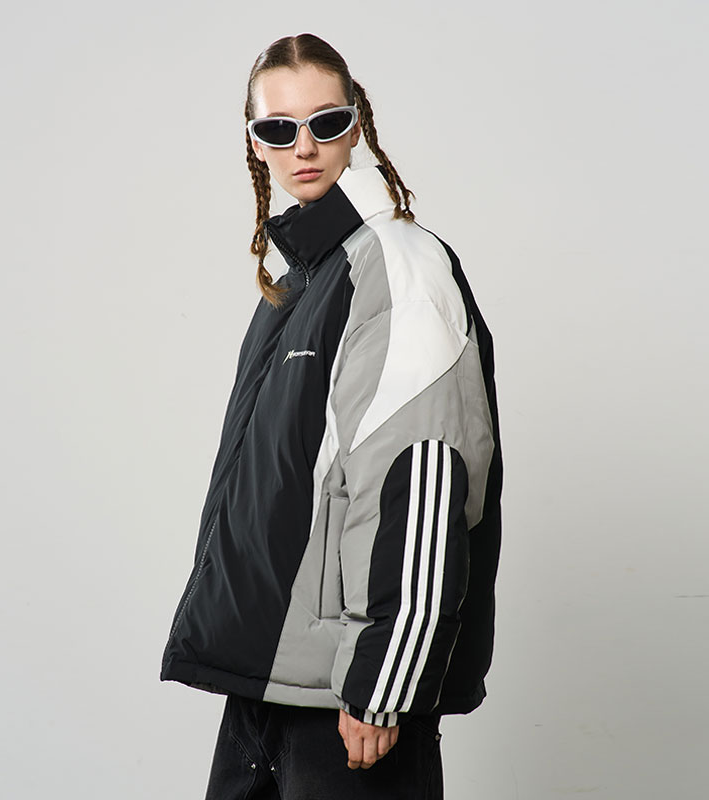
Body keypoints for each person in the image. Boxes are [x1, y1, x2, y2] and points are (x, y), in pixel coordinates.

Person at [160, 32, 504, 799]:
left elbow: (421, 473)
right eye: (278, 128)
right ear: (254, 142)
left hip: (349, 701)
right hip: (269, 686)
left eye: (326, 121)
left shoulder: (399, 268)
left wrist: (383, 681)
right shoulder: (304, 277)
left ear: (358, 123)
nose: (304, 146)